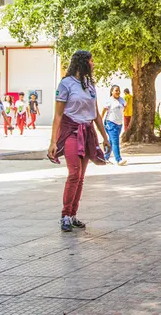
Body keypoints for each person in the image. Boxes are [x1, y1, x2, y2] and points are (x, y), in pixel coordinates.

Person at [48, 50, 110, 232]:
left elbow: (96, 114)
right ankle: (65, 215)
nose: (93, 64)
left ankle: (73, 214)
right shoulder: (66, 84)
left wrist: (104, 137)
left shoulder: (90, 85)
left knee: (81, 176)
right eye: (91, 61)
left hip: (87, 131)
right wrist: (53, 141)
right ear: (82, 62)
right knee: (74, 172)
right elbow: (58, 115)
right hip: (71, 131)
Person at [101, 85, 128, 165]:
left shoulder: (121, 100)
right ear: (112, 91)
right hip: (110, 123)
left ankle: (105, 158)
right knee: (115, 141)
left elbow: (124, 107)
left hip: (119, 124)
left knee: (111, 141)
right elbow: (103, 111)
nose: (118, 92)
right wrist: (100, 121)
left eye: (119, 90)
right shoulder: (109, 101)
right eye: (116, 90)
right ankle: (118, 159)